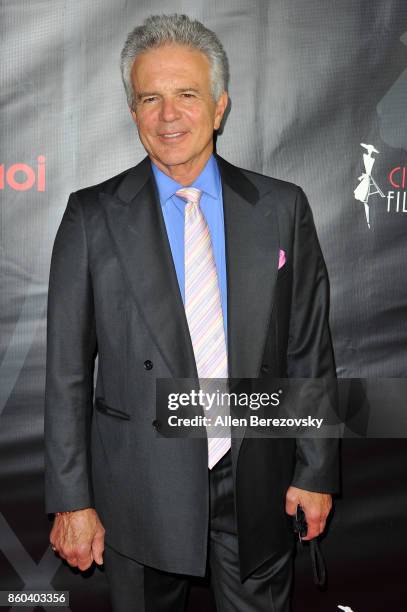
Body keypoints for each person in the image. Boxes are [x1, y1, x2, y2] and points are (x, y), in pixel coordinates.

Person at [44, 13, 339, 612]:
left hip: (255, 478)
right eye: (150, 98)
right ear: (133, 112)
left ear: (220, 105)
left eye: (186, 94)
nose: (168, 114)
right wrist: (73, 500)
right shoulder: (90, 216)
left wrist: (315, 470)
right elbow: (67, 373)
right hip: (137, 490)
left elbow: (308, 350)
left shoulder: (281, 207)